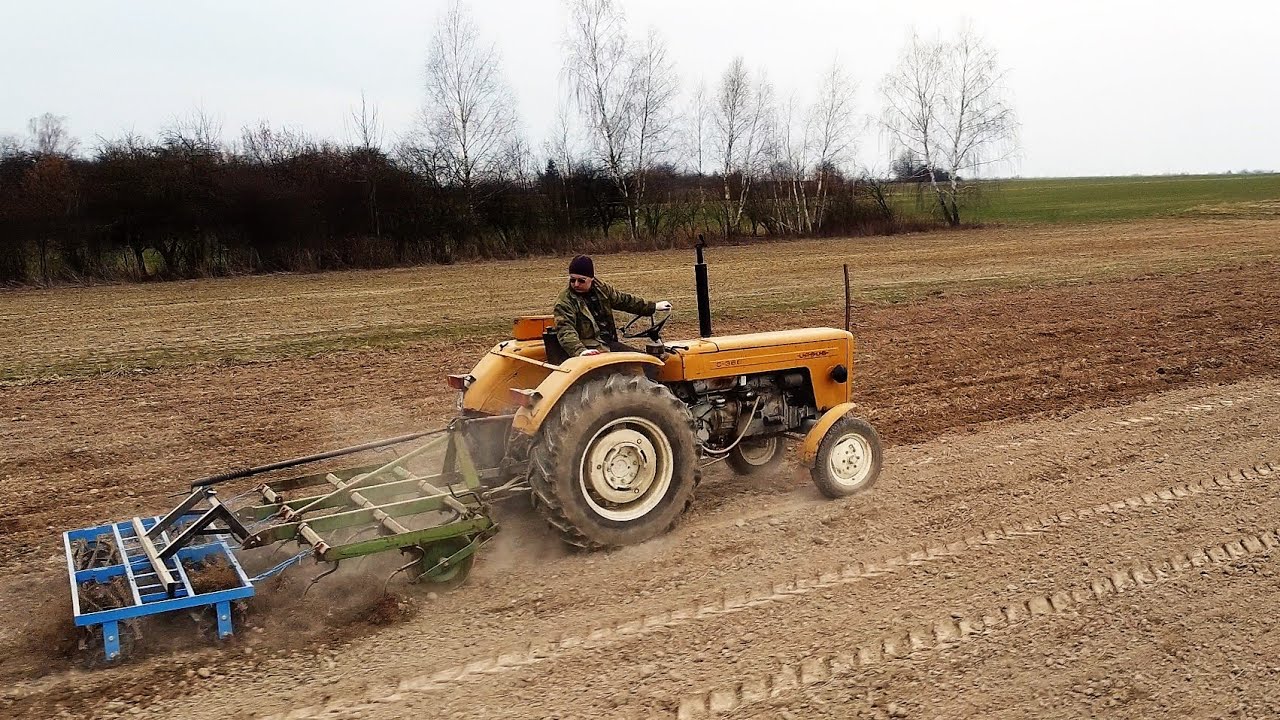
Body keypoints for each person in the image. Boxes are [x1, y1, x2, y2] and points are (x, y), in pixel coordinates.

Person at [553, 254, 672, 358]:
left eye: (581, 280)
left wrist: (653, 306)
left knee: (646, 359)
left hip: (608, 342)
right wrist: (580, 351)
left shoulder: (602, 289)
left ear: (591, 279)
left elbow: (624, 301)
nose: (576, 284)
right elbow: (565, 330)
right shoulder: (565, 301)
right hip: (590, 346)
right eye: (572, 280)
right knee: (644, 365)